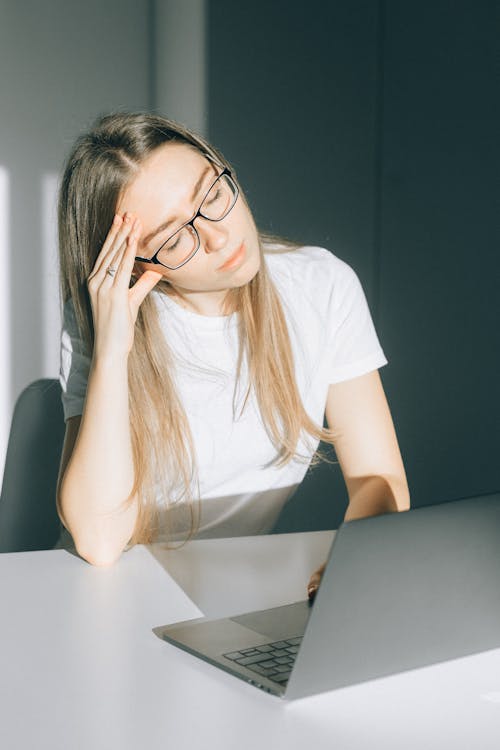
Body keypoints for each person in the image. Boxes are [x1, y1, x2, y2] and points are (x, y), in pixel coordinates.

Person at [56, 111, 410, 598]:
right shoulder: (100, 320)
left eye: (213, 195)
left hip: (242, 591)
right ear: (134, 267)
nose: (219, 237)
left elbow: (380, 478)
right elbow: (99, 541)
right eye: (176, 238)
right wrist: (113, 352)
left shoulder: (322, 285)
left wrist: (354, 569)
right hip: (110, 595)